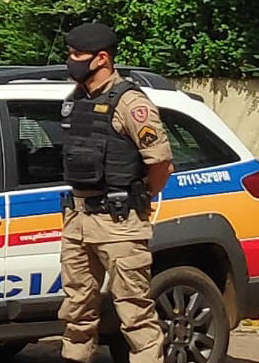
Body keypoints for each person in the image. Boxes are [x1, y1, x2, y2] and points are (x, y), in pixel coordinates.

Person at [58, 22, 174, 363]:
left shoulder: (131, 104)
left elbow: (161, 163)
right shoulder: (76, 99)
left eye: (77, 55)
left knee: (135, 313)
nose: (71, 60)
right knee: (76, 311)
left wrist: (141, 197)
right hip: (78, 221)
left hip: (120, 223)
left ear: (102, 58)